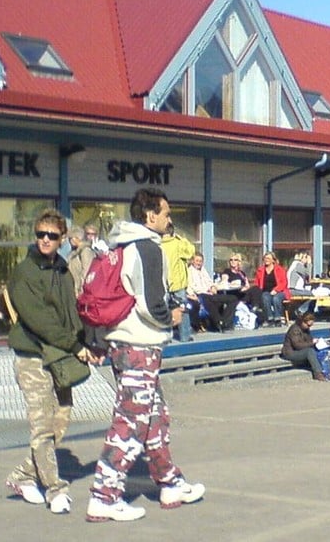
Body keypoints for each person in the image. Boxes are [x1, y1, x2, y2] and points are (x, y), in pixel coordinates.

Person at [87, 188, 203, 523]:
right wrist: (172, 316)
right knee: (131, 421)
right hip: (141, 345)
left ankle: (170, 482)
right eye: (166, 214)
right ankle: (104, 496)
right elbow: (153, 304)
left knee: (154, 416)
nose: (169, 220)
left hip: (121, 343)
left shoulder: (117, 246)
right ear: (150, 216)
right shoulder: (148, 248)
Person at [5, 209, 93, 515]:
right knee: (41, 426)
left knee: (61, 420)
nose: (45, 240)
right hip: (32, 355)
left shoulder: (64, 272)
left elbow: (71, 314)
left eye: (51, 236)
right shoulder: (25, 272)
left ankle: (22, 476)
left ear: (62, 239)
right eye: (40, 234)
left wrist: (84, 342)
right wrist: (73, 344)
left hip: (60, 356)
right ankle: (55, 488)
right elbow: (37, 319)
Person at [159, 224, 195, 342]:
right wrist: (181, 238)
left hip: (162, 283)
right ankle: (185, 336)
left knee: (164, 310)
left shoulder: (157, 244)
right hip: (177, 284)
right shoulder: (177, 243)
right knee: (182, 309)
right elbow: (191, 252)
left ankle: (165, 336)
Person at [280, 313, 330, 381]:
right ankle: (318, 373)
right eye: (308, 325)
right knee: (309, 351)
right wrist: (312, 343)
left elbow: (308, 341)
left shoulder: (306, 329)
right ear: (303, 322)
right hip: (290, 352)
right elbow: (297, 346)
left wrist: (317, 342)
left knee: (321, 351)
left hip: (301, 350)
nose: (309, 327)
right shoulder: (294, 330)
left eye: (310, 325)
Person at [255, 252, 289, 326]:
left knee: (276, 298)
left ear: (273, 260)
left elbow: (284, 282)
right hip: (266, 291)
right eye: (265, 258)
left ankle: (278, 318)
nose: (266, 260)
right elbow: (257, 283)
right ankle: (269, 318)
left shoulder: (280, 269)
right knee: (265, 297)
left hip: (280, 291)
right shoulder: (260, 270)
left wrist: (276, 290)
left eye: (268, 258)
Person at [186, 253, 216, 333]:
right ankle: (198, 325)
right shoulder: (190, 271)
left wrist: (212, 287)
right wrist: (192, 295)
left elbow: (209, 281)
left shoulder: (203, 270)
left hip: (207, 293)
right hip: (198, 294)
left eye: (200, 261)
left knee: (223, 299)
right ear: (192, 261)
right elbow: (189, 286)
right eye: (197, 261)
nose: (199, 263)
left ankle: (217, 324)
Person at [65, 226, 96, 296]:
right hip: (73, 289)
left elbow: (87, 271)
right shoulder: (74, 252)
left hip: (82, 291)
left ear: (77, 238)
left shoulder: (85, 251)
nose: (70, 241)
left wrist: (81, 289)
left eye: (71, 238)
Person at [286, 252, 315, 317]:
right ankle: (301, 310)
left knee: (308, 294)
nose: (306, 259)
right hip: (293, 290)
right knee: (312, 295)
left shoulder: (294, 264)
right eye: (305, 257)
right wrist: (309, 263)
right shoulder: (298, 265)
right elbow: (308, 274)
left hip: (292, 289)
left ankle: (302, 311)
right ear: (301, 258)